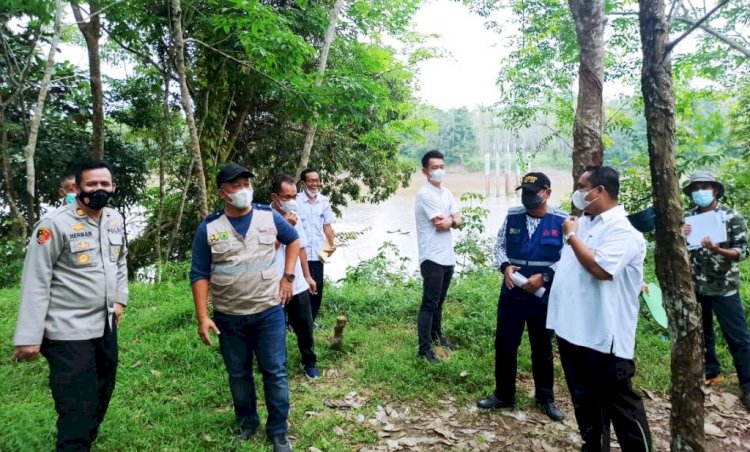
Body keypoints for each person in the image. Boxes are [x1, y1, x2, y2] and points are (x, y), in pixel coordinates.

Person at [13, 160, 128, 451]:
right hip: (66, 330)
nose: (99, 190)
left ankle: (83, 439)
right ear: (77, 188)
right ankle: (74, 443)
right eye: (92, 184)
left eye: (105, 184)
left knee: (103, 390)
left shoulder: (115, 219)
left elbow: (121, 261)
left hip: (104, 325)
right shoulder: (54, 224)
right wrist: (28, 337)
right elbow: (36, 279)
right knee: (77, 402)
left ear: (113, 187)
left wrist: (119, 300)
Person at [189, 164, 300, 452]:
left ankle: (278, 431)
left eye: (245, 184)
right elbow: (199, 273)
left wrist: (288, 278)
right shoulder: (209, 228)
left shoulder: (268, 215)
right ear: (222, 192)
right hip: (229, 316)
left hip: (268, 311)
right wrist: (203, 317)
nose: (242, 190)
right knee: (238, 374)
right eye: (235, 185)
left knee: (275, 371)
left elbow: (293, 240)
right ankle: (247, 423)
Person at [546, 166, 652, 451]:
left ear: (600, 191)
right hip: (573, 331)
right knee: (584, 400)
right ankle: (593, 445)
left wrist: (571, 237)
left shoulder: (622, 230)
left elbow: (601, 268)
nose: (578, 193)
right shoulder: (585, 222)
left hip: (605, 337)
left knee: (621, 404)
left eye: (582, 187)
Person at [477, 172, 566, 421]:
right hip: (512, 293)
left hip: (543, 296)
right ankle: (504, 395)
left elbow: (567, 256)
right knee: (505, 344)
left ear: (547, 193)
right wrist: (505, 266)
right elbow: (499, 246)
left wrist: (546, 275)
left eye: (533, 193)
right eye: (524, 192)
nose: (527, 197)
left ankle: (545, 398)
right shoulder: (513, 215)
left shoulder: (560, 220)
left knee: (542, 347)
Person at [682, 170, 750, 409]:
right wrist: (680, 236)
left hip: (724, 287)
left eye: (705, 186)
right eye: (696, 187)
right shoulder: (687, 219)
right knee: (703, 333)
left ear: (716, 190)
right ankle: (712, 371)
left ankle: (748, 385)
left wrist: (717, 249)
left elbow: (742, 252)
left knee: (738, 337)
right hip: (697, 286)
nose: (700, 191)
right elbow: (681, 250)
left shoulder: (731, 217)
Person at [271, 175, 321, 380]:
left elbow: (300, 248)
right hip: (272, 283)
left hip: (296, 281)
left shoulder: (294, 215)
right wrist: (285, 225)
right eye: (287, 196)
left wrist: (308, 276)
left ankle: (309, 361)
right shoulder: (263, 217)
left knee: (304, 325)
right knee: (274, 328)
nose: (292, 200)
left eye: (294, 196)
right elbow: (263, 250)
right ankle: (275, 364)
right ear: (275, 197)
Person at [414, 150, 462, 363]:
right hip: (432, 256)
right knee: (429, 303)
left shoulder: (446, 193)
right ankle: (424, 349)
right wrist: (453, 220)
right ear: (425, 171)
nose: (440, 171)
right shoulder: (424, 194)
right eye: (435, 167)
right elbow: (441, 224)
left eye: (442, 167)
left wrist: (453, 220)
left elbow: (457, 218)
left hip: (447, 256)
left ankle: (436, 336)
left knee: (440, 301)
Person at [296, 168, 335, 325]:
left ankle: (311, 320)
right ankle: (296, 321)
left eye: (317, 180)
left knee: (317, 286)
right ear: (304, 183)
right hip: (299, 252)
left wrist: (331, 245)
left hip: (319, 252)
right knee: (300, 287)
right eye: (311, 180)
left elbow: (327, 226)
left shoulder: (324, 201)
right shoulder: (296, 201)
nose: (315, 183)